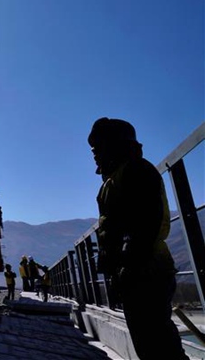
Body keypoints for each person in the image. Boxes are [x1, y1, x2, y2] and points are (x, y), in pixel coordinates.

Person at [88, 117, 188, 360]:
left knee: (157, 342)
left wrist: (127, 266)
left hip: (146, 269)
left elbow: (145, 224)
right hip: (136, 270)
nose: (94, 154)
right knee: (149, 340)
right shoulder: (118, 176)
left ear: (114, 145)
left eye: (98, 148)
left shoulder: (136, 170)